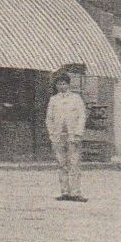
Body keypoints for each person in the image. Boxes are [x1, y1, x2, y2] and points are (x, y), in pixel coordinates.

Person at [46, 69, 88, 202]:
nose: (61, 86)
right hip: (58, 136)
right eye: (59, 84)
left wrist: (78, 133)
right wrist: (52, 134)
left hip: (72, 135)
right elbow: (49, 118)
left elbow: (82, 116)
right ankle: (64, 192)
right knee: (61, 163)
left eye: (64, 84)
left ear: (68, 85)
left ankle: (75, 192)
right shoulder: (53, 100)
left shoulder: (76, 99)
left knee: (74, 163)